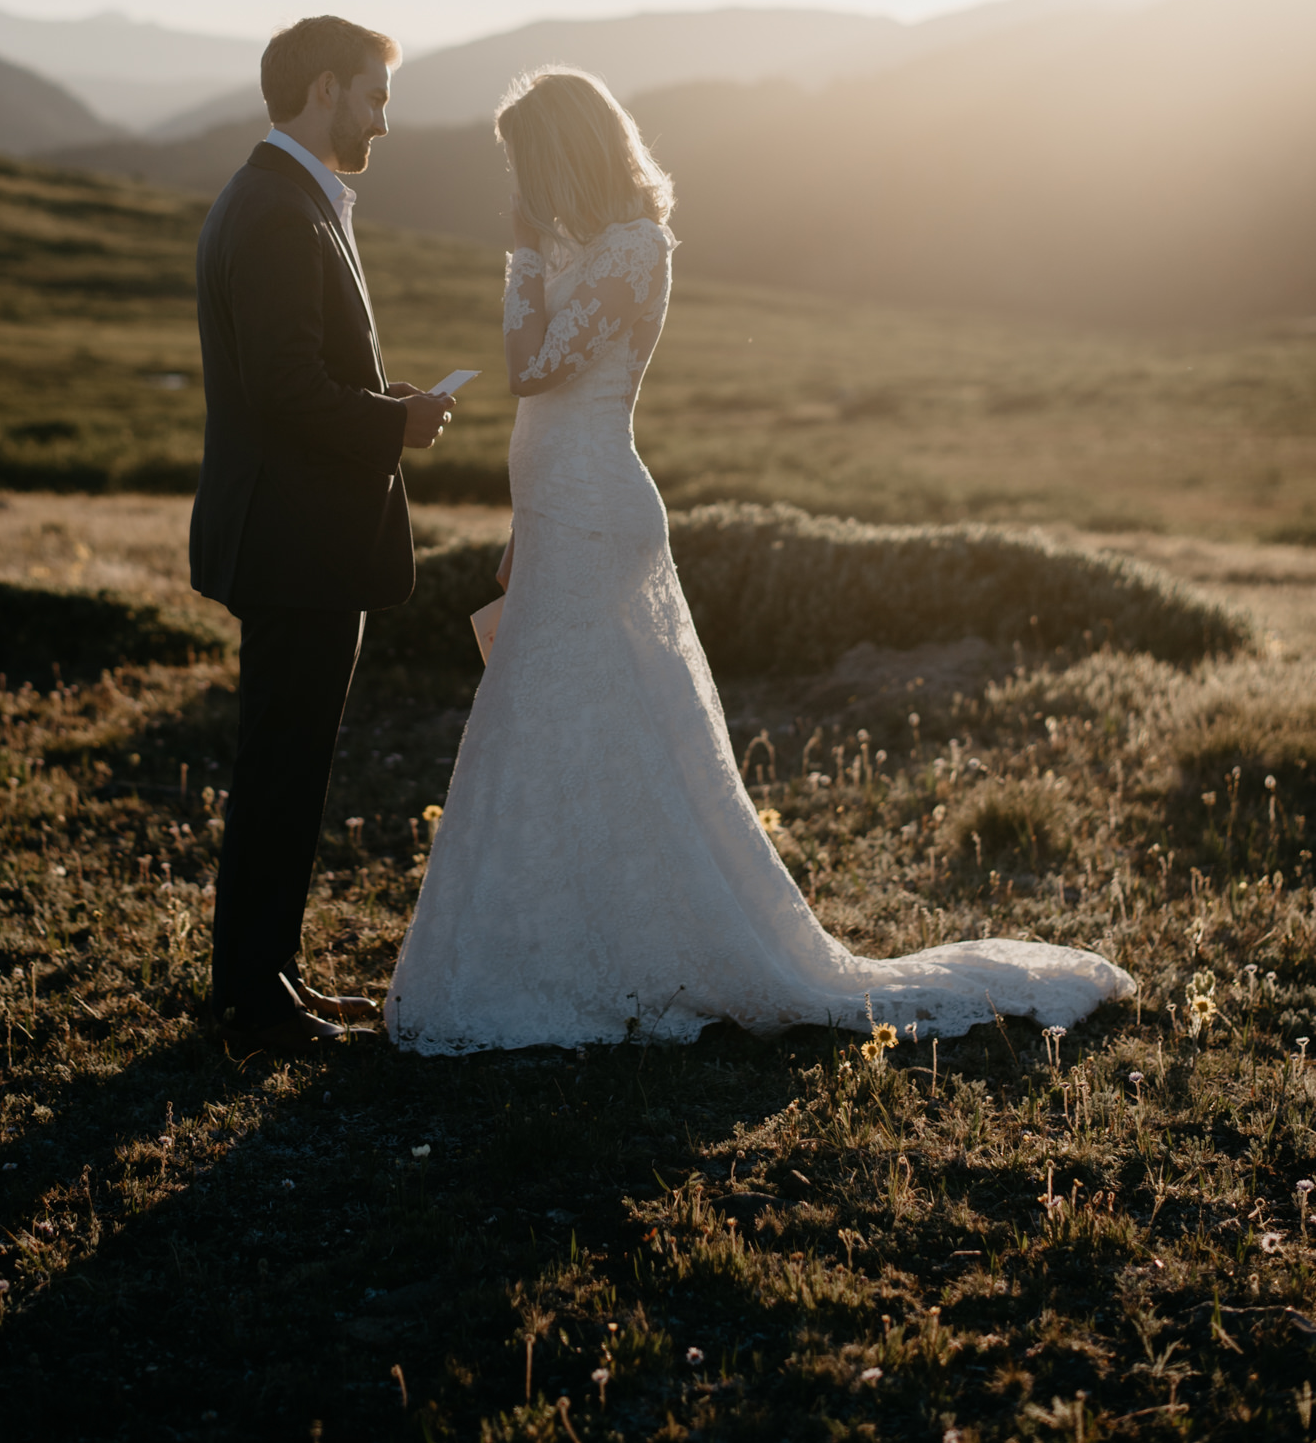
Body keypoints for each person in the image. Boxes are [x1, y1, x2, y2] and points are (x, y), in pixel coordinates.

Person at [386, 67, 1133, 1053]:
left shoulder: (628, 248)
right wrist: (525, 521)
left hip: (600, 515)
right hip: (557, 513)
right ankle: (559, 941)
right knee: (551, 724)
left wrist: (522, 262)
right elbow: (543, 402)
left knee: (590, 723)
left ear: (560, 151)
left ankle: (636, 950)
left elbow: (534, 368)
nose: (512, 181)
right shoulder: (578, 247)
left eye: (522, 158)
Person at [191, 14, 454, 1054]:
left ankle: (266, 982)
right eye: (374, 96)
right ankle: (253, 1001)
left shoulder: (282, 198)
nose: (383, 121)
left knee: (288, 766)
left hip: (300, 532)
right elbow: (286, 390)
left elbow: (297, 377)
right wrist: (395, 422)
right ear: (323, 89)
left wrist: (378, 398)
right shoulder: (273, 210)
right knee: (281, 768)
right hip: (295, 540)